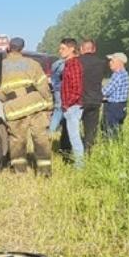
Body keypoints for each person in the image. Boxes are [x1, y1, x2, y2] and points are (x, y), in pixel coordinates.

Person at [0, 36, 53, 175]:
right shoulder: (32, 63)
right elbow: (43, 86)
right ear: (22, 49)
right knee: (41, 139)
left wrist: (6, 99)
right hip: (35, 105)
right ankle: (44, 171)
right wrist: (49, 104)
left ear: (8, 47)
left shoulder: (1, 66)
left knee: (17, 141)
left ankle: (20, 171)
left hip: (15, 109)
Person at [54, 38, 85, 166]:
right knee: (73, 137)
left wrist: (67, 104)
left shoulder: (74, 64)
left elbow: (77, 89)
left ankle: (80, 166)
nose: (60, 51)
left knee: (74, 138)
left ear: (72, 49)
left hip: (73, 106)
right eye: (60, 48)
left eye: (63, 48)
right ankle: (78, 164)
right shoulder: (67, 64)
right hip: (69, 106)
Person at [78, 39, 104, 150]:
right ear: (94, 49)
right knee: (91, 128)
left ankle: (72, 151)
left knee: (72, 127)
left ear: (81, 49)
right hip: (95, 100)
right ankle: (88, 151)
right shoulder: (101, 63)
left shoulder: (76, 62)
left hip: (80, 99)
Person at [102, 51, 129, 136]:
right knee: (117, 128)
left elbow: (106, 91)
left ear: (119, 62)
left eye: (112, 61)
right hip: (121, 105)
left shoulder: (117, 75)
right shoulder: (125, 74)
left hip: (113, 106)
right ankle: (117, 145)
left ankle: (110, 146)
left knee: (110, 130)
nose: (110, 63)